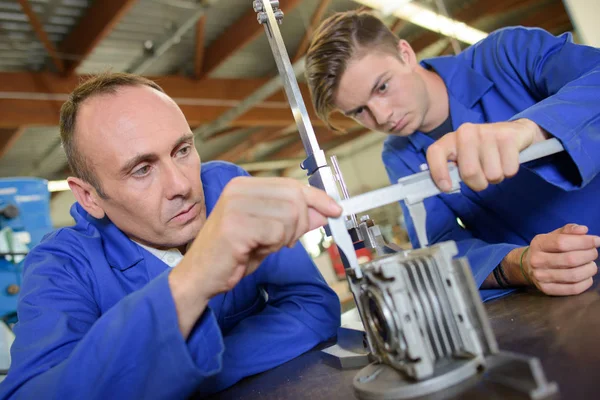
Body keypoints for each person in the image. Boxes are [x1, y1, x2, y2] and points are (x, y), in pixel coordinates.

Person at [0, 73, 343, 399]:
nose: (181, 186)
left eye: (182, 150)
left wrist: (190, 374)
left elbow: (314, 308)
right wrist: (193, 279)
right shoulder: (60, 266)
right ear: (89, 196)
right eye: (142, 169)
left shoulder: (228, 188)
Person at [305, 10, 600, 301]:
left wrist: (530, 129)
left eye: (382, 86)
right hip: (567, 291)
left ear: (405, 54)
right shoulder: (398, 156)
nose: (382, 117)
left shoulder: (507, 53)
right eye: (358, 111)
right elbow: (440, 243)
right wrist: (518, 264)